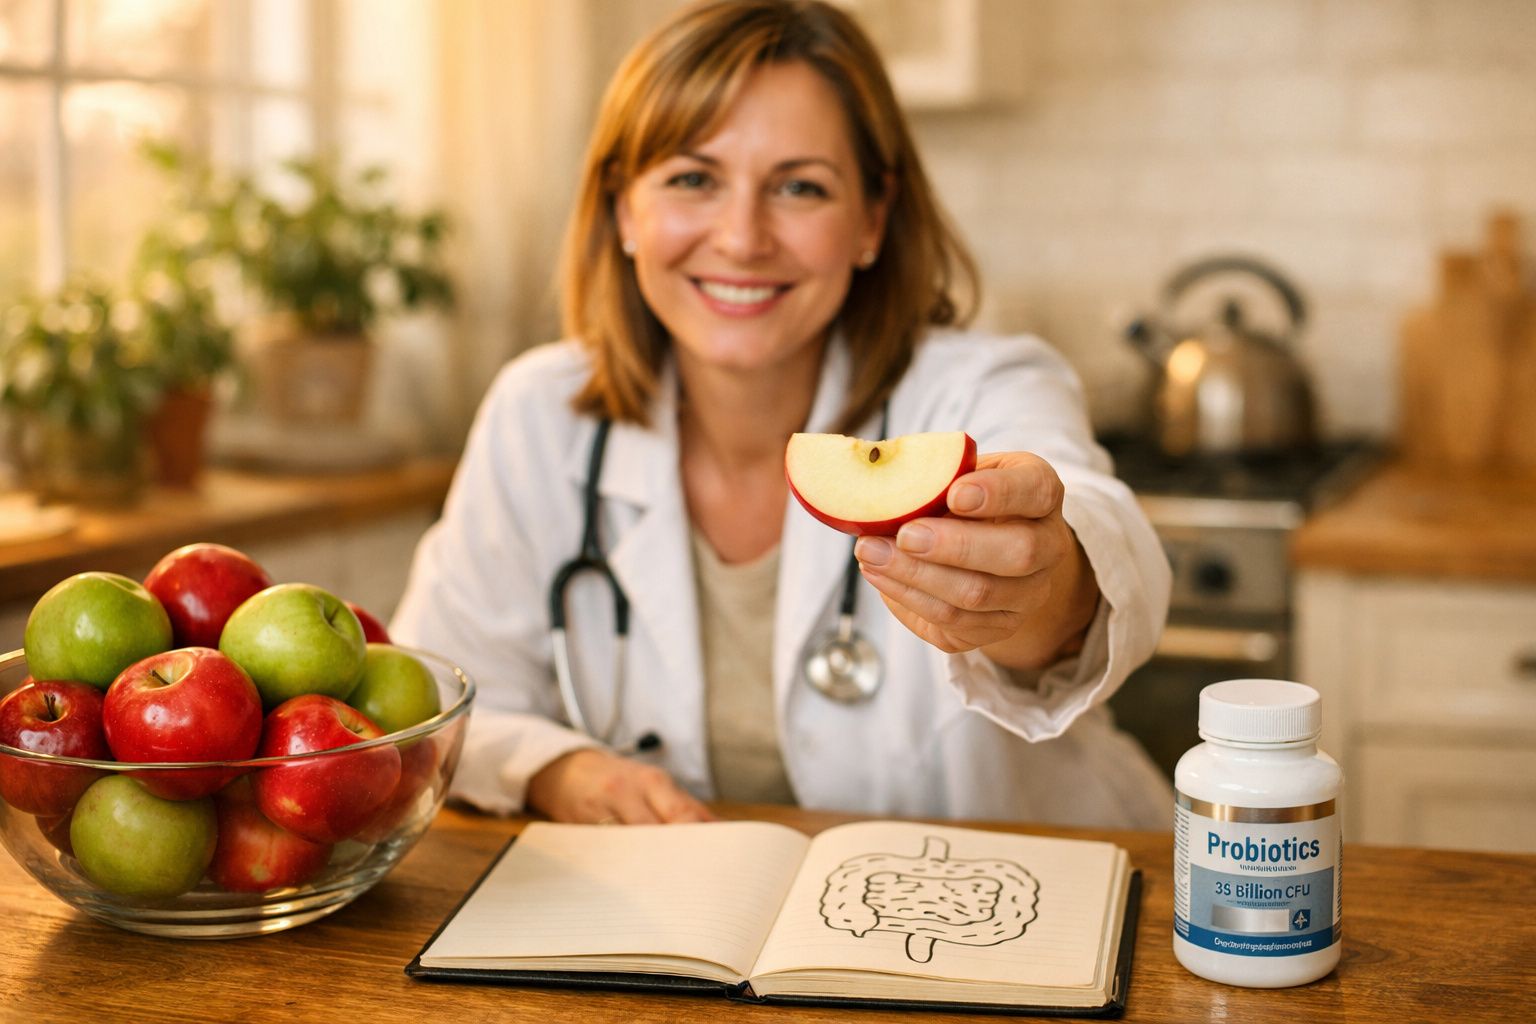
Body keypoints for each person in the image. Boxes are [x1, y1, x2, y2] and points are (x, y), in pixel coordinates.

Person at [391, 0, 1173, 829]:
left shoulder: (986, 386)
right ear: (625, 209)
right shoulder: (537, 415)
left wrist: (1039, 587)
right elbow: (436, 696)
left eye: (800, 187)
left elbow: (1094, 533)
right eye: (694, 179)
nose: (741, 237)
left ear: (872, 218)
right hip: (680, 935)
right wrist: (555, 768)